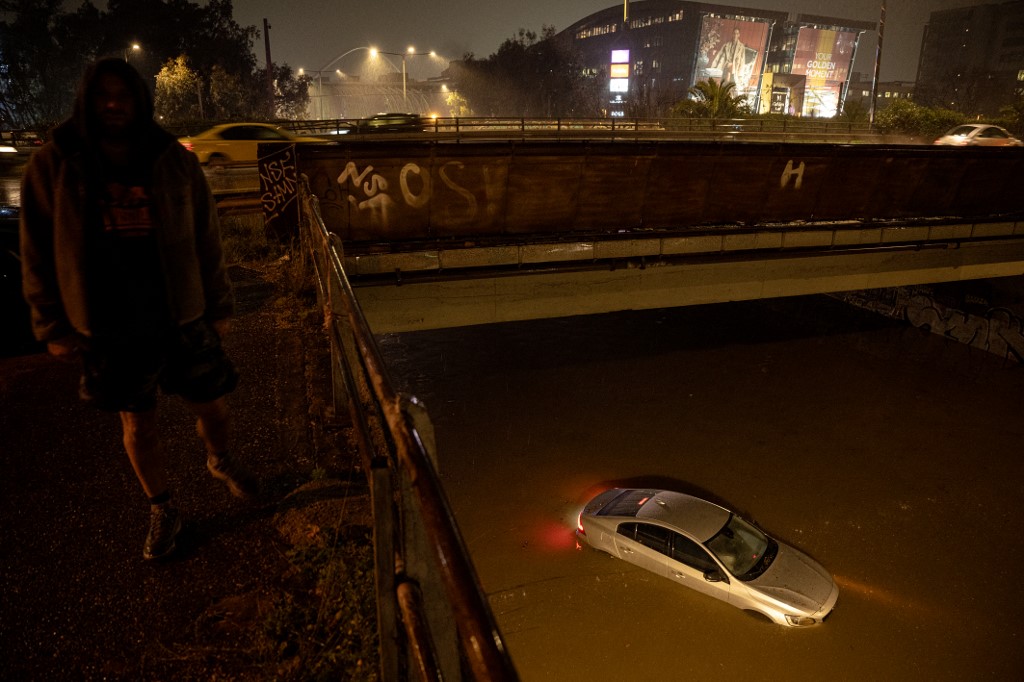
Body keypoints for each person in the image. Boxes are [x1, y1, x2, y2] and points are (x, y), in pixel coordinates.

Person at [19, 57, 258, 561]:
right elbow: (37, 245)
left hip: (182, 313)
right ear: (88, 99)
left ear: (140, 100)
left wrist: (219, 303)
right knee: (137, 425)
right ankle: (162, 507)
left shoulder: (172, 157)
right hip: (110, 324)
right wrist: (50, 323)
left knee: (213, 404)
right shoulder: (57, 160)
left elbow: (206, 236)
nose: (113, 104)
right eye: (103, 95)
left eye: (123, 95)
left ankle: (220, 459)